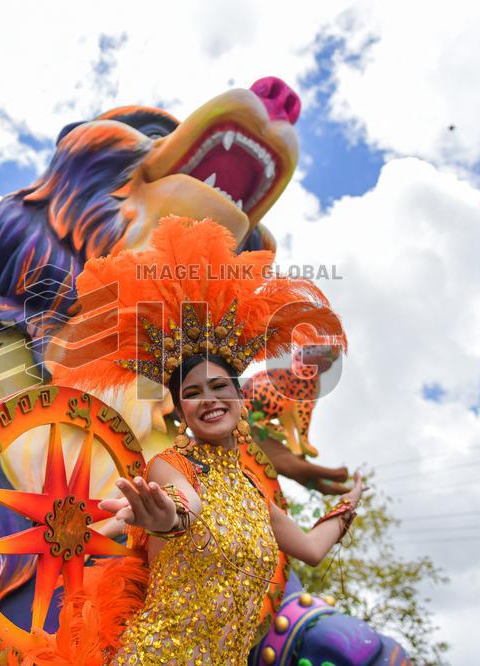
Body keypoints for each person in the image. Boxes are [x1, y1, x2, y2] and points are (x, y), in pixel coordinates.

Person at [35, 215, 366, 665]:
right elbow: (182, 503)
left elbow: (310, 548)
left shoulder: (253, 498)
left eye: (218, 387)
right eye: (192, 393)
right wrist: (165, 517)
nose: (207, 400)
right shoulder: (172, 465)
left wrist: (349, 504)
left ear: (240, 398)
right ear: (183, 411)